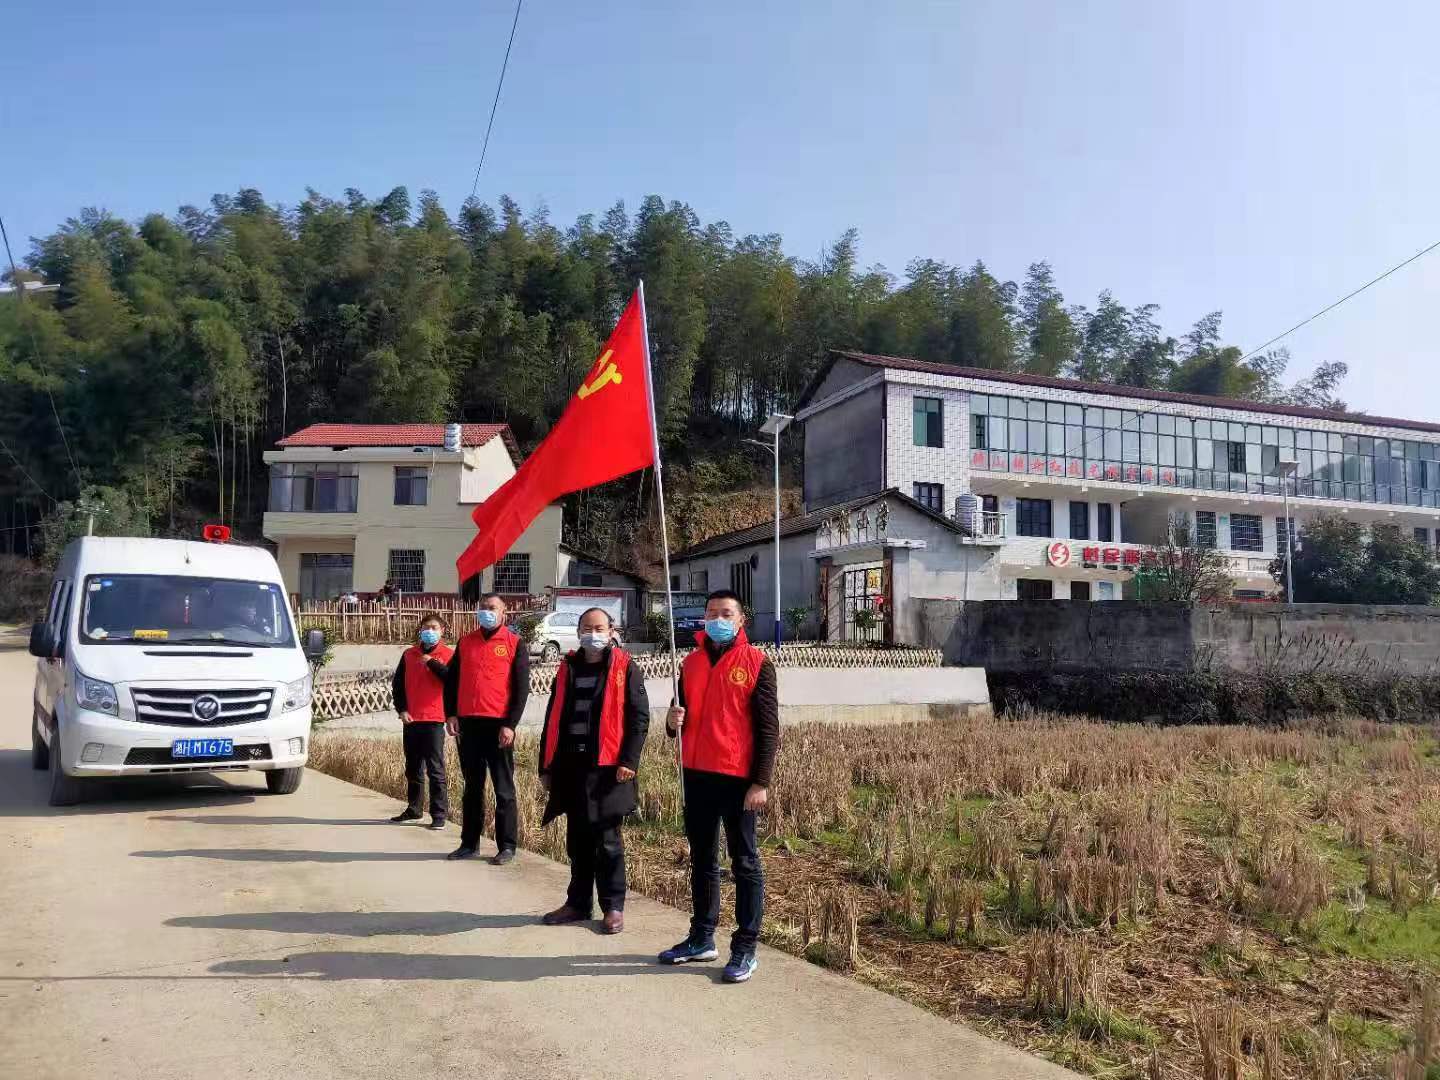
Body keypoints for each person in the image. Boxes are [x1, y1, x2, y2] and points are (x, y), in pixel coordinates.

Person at [658, 589, 779, 984]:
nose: (718, 619)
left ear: (742, 619)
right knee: (703, 859)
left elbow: (768, 729)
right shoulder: (690, 663)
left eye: (726, 613)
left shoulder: (757, 663)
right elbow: (678, 718)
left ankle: (745, 947)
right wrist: (672, 722)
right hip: (697, 773)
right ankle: (701, 937)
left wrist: (760, 781)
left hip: (736, 777)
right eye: (712, 613)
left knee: (745, 862)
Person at [537, 607, 650, 934]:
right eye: (587, 628)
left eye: (599, 627)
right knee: (577, 840)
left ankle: (613, 907)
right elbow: (552, 718)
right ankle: (578, 902)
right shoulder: (567, 668)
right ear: (578, 632)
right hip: (572, 765)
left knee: (607, 841)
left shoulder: (625, 667)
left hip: (608, 767)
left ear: (611, 630)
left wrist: (629, 761)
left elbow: (639, 718)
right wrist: (546, 764)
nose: (593, 633)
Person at [444, 593, 529, 863]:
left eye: (492, 608)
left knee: (503, 788)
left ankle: (507, 846)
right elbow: (451, 681)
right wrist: (451, 714)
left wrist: (510, 724)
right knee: (472, 787)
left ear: (504, 613)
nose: (486, 612)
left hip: (498, 725)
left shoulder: (514, 643)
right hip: (468, 723)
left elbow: (521, 689)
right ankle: (469, 843)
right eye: (482, 607)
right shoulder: (466, 642)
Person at [389, 612, 453, 829]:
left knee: (435, 769)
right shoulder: (409, 654)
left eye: (434, 628)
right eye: (426, 627)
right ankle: (414, 809)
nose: (429, 631)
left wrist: (432, 663)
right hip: (411, 719)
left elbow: (452, 681)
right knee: (413, 767)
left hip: (434, 719)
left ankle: (439, 815)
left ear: (442, 631)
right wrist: (402, 709)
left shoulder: (448, 654)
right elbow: (398, 685)